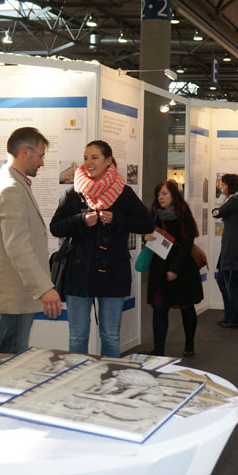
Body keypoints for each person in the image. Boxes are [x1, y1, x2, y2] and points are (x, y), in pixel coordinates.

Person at [50, 140, 153, 358]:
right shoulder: (73, 192)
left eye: (94, 157)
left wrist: (117, 219)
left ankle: (110, 384)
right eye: (86, 157)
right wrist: (80, 220)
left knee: (110, 336)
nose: (88, 162)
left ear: (108, 161)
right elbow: (55, 227)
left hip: (113, 272)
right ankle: (78, 383)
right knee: (77, 337)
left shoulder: (123, 192)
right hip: (79, 273)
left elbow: (147, 224)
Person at [0, 127, 62, 353]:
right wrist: (45, 289)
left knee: (11, 356)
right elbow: (17, 247)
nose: (42, 162)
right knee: (11, 360)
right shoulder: (10, 189)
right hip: (16, 293)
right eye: (40, 155)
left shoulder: (9, 183)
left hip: (17, 290)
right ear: (26, 152)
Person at [146, 180, 203, 358]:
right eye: (159, 194)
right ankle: (158, 350)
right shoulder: (154, 214)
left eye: (164, 194)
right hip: (159, 268)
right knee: (159, 308)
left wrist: (175, 269)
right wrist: (145, 236)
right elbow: (149, 235)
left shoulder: (183, 215)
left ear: (173, 196)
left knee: (187, 307)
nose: (160, 197)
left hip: (182, 268)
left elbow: (187, 245)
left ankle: (189, 345)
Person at [212, 173, 238, 329]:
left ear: (230, 186)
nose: (222, 187)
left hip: (233, 248)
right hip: (229, 247)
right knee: (222, 281)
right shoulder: (234, 201)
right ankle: (229, 315)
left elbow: (216, 212)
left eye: (224, 185)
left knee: (231, 285)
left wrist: (221, 197)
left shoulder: (235, 201)